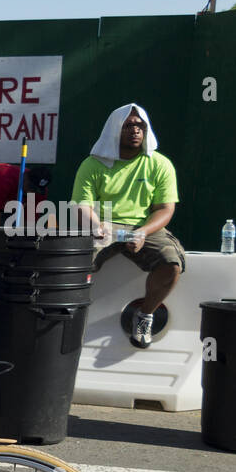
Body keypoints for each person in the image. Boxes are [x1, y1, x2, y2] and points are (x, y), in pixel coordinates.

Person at [72, 103, 181, 349]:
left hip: (145, 227)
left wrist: (142, 232)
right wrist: (99, 227)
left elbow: (165, 209)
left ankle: (144, 316)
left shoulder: (160, 164)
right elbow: (82, 206)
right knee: (74, 264)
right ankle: (71, 320)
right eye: (129, 125)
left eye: (140, 125)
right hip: (102, 225)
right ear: (114, 130)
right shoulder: (92, 164)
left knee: (171, 263)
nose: (135, 130)